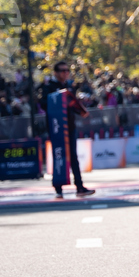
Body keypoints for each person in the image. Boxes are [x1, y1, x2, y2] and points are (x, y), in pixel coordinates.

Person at [39, 61, 95, 199]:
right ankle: (58, 188)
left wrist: (81, 110)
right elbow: (44, 104)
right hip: (56, 127)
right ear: (56, 73)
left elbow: (71, 105)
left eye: (67, 70)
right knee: (58, 155)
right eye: (62, 71)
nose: (65, 73)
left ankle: (79, 186)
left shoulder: (69, 87)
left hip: (69, 126)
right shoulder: (48, 87)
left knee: (73, 157)